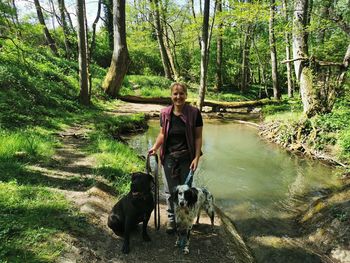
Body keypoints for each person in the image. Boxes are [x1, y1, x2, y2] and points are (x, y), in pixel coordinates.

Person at [148, 82, 203, 234]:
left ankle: (184, 220)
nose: (178, 97)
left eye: (181, 93)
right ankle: (172, 220)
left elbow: (198, 137)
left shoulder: (194, 113)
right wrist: (155, 147)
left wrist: (197, 157)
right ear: (171, 95)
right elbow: (162, 134)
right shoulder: (165, 113)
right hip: (169, 158)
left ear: (186, 95)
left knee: (186, 191)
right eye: (175, 94)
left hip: (187, 157)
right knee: (170, 191)